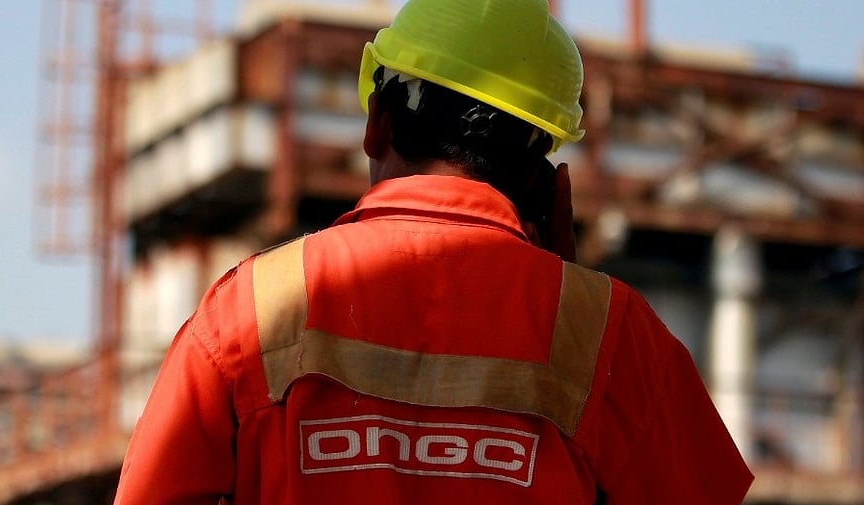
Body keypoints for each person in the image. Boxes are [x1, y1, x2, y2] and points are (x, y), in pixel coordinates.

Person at [113, 0, 754, 503]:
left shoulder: (250, 310)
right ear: (542, 173)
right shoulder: (610, 335)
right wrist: (572, 292)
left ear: (378, 125)